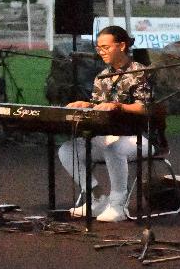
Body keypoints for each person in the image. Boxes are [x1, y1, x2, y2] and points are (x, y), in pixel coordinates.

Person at [58, 26, 152, 222]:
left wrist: (119, 106)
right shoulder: (102, 76)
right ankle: (97, 196)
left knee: (114, 149)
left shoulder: (140, 73)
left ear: (122, 45)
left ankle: (118, 204)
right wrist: (87, 105)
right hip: (107, 136)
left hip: (139, 138)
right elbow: (100, 106)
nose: (101, 52)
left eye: (106, 47)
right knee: (67, 150)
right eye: (99, 48)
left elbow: (145, 108)